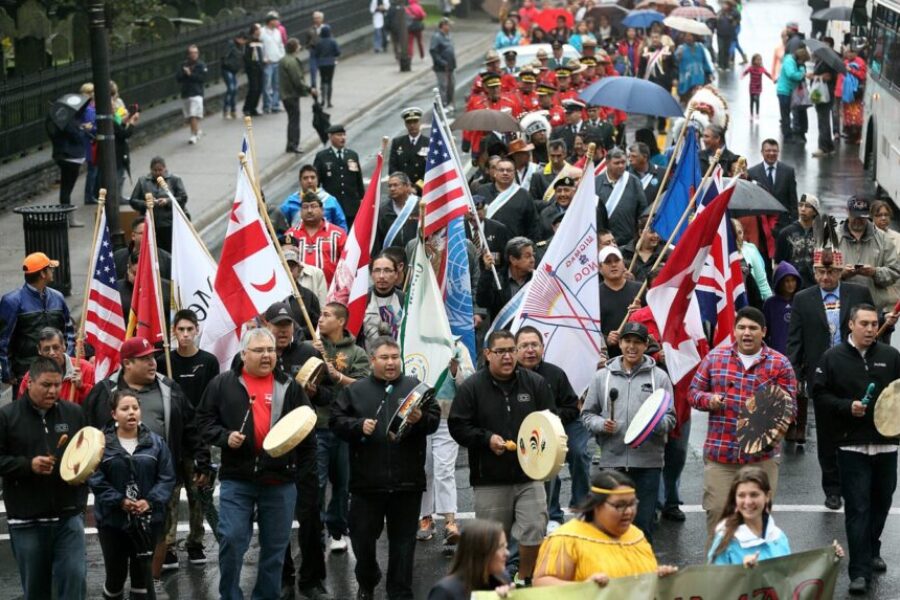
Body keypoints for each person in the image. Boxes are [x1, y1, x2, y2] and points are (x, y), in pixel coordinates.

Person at [197, 328, 315, 600]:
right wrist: (225, 437)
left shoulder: (289, 386)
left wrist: (302, 475)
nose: (266, 356)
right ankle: (230, 595)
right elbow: (203, 421)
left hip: (280, 481)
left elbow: (307, 433)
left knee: (275, 549)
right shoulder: (222, 384)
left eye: (270, 350)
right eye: (259, 350)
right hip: (238, 479)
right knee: (231, 539)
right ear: (243, 354)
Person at [331, 336, 441, 600]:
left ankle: (400, 592)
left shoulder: (415, 388)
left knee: (403, 544)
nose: (391, 363)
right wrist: (357, 426)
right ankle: (367, 579)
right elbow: (336, 421)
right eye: (384, 358)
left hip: (407, 482)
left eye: (395, 357)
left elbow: (434, 419)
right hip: (367, 483)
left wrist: (420, 419)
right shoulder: (356, 391)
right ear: (372, 360)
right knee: (362, 540)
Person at [449, 330, 555, 585]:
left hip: (530, 474)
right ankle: (494, 584)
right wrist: (486, 439)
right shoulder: (472, 387)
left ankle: (524, 579)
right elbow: (458, 426)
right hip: (490, 478)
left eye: (511, 350)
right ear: (488, 354)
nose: (508, 356)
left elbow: (551, 421)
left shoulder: (535, 383)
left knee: (534, 530)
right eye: (501, 351)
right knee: (491, 541)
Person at [688, 306, 798, 547]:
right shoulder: (715, 358)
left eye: (753, 328)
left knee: (757, 523)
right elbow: (693, 393)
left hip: (761, 460)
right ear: (734, 331)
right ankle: (719, 569)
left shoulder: (779, 363)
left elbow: (791, 408)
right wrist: (709, 400)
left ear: (764, 332)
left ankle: (753, 570)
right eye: (742, 327)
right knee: (718, 518)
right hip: (721, 457)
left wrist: (768, 417)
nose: (747, 333)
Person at [813, 303, 900, 595]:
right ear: (850, 325)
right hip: (851, 445)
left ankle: (872, 548)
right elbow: (819, 394)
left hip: (886, 445)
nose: (870, 329)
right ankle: (859, 571)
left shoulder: (890, 356)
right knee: (858, 508)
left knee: (881, 504)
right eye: (864, 323)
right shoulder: (832, 357)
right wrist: (846, 407)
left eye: (874, 324)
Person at [787, 243, 873, 503]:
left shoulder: (858, 293)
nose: (826, 277)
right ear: (814, 272)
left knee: (855, 432)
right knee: (827, 436)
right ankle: (832, 490)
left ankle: (854, 484)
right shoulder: (803, 299)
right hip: (821, 375)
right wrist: (793, 374)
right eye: (821, 272)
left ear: (840, 271)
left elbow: (872, 329)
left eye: (832, 272)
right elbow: (795, 341)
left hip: (854, 372)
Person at [0, 357, 87, 599]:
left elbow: (87, 452)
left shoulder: (74, 413)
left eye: (57, 385)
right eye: (46, 385)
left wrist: (83, 474)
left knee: (74, 579)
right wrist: (28, 465)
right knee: (37, 591)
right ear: (29, 382)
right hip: (26, 519)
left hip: (68, 516)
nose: (53, 391)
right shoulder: (7, 416)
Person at [582, 322, 675, 542]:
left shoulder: (660, 378)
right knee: (610, 527)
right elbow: (587, 415)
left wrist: (653, 424)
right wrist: (601, 424)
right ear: (620, 343)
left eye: (637, 342)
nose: (632, 347)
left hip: (648, 465)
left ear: (646, 345)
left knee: (642, 528)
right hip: (612, 464)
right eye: (627, 341)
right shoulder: (601, 377)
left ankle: (641, 564)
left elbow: (671, 419)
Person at [90, 390, 176, 600]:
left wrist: (150, 501)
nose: (131, 413)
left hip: (148, 521)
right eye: (125, 409)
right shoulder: (100, 445)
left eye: (135, 408)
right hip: (112, 523)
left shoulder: (156, 443)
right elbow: (95, 479)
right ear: (113, 414)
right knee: (115, 577)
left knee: (142, 578)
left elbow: (167, 478)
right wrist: (119, 501)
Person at [532, 470, 678, 586]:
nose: (628, 511)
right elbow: (541, 583)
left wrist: (657, 577)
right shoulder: (566, 538)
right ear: (596, 505)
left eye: (632, 504)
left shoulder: (636, 535)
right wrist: (584, 588)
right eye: (619, 505)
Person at [157, 310, 219, 567]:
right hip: (171, 438)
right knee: (170, 494)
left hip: (199, 437)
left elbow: (213, 399)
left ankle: (195, 542)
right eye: (180, 330)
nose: (185, 334)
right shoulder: (163, 361)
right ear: (174, 331)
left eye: (189, 329)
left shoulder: (208, 361)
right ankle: (168, 545)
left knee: (198, 492)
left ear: (196, 330)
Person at [313, 302, 371, 553]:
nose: (320, 319)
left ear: (341, 321)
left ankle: (337, 529)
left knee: (342, 484)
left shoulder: (357, 353)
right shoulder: (312, 347)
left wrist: (338, 376)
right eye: (320, 315)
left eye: (326, 315)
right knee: (316, 482)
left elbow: (363, 385)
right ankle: (315, 530)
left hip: (345, 428)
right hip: (317, 425)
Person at [515, 327, 585, 528]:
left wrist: (549, 419)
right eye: (524, 346)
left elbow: (572, 407)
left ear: (542, 347)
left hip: (560, 426)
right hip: (526, 431)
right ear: (516, 350)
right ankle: (547, 512)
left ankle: (578, 506)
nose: (530, 350)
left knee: (578, 453)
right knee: (541, 459)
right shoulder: (510, 375)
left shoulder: (555, 373)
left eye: (534, 345)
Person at [1, 252, 74, 398]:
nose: (53, 270)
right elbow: (4, 341)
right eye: (50, 268)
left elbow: (69, 332)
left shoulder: (58, 297)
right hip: (26, 373)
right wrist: (7, 373)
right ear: (42, 274)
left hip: (56, 371)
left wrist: (68, 362)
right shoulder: (12, 301)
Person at [707, 466, 791, 566]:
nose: (748, 502)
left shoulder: (779, 537)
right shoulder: (724, 539)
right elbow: (714, 575)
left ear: (767, 496)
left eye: (754, 495)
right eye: (741, 495)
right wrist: (743, 570)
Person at [837, 196, 900, 314]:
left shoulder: (883, 239)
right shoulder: (832, 238)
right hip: (840, 307)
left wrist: (874, 272)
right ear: (847, 212)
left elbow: (895, 272)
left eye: (862, 217)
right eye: (855, 216)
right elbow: (819, 272)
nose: (859, 220)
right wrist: (842, 274)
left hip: (873, 309)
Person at [427, 520, 512, 600]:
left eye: (505, 547)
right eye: (501, 547)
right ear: (481, 552)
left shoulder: (503, 580)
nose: (507, 553)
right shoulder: (445, 592)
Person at [284, 191, 347, 286]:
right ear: (300, 211)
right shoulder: (290, 235)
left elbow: (347, 264)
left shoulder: (338, 234)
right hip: (299, 291)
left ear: (322, 210)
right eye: (305, 207)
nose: (309, 211)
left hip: (331, 290)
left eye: (313, 206)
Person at [17, 327, 93, 405]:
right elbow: (22, 408)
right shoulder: (31, 377)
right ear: (39, 350)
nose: (52, 353)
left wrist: (82, 388)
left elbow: (95, 404)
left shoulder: (86, 369)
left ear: (64, 346)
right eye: (46, 349)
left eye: (56, 348)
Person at [128, 156, 189, 253]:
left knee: (169, 250)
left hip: (169, 224)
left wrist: (167, 201)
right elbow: (133, 201)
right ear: (151, 170)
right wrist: (146, 204)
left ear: (165, 168)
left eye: (160, 170)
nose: (157, 173)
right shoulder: (143, 181)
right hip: (150, 223)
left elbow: (183, 198)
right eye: (154, 170)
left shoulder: (174, 180)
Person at [47, 89, 90, 227]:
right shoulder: (67, 121)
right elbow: (75, 136)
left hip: (61, 155)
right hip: (71, 157)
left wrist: (80, 127)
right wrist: (83, 130)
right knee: (67, 188)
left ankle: (67, 218)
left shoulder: (56, 120)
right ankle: (68, 219)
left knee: (66, 188)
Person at [476, 158, 541, 242]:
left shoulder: (524, 195)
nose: (505, 173)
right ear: (495, 173)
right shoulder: (482, 191)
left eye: (509, 170)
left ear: (514, 173)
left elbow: (533, 226)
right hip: (487, 244)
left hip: (514, 245)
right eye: (501, 170)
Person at [747, 139, 799, 239]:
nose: (771, 153)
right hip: (761, 225)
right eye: (768, 150)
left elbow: (793, 201)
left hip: (783, 225)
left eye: (774, 151)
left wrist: (794, 225)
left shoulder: (788, 171)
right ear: (762, 152)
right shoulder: (752, 172)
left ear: (778, 152)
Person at [476, 237, 534, 324]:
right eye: (527, 256)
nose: (532, 260)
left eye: (533, 255)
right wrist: (487, 271)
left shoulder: (537, 280)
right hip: (503, 330)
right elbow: (483, 302)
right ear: (513, 259)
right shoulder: (497, 280)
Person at [314, 124, 365, 225]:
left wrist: (362, 198)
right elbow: (317, 182)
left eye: (343, 135)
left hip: (352, 205)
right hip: (332, 206)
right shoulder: (322, 157)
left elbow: (358, 179)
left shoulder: (352, 155)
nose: (342, 138)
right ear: (330, 137)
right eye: (339, 135)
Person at [598, 246, 643, 359]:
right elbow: (588, 329)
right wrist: (606, 339)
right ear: (600, 268)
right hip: (609, 359)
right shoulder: (593, 295)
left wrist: (641, 313)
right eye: (608, 262)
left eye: (617, 260)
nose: (613, 265)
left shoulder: (640, 289)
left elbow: (653, 321)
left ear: (623, 264)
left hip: (638, 356)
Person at [595, 148, 645, 247]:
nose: (621, 166)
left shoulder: (634, 182)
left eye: (623, 162)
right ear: (607, 163)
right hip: (602, 242)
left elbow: (642, 210)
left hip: (628, 242)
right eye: (617, 163)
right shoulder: (596, 182)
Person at [280, 164, 348, 233]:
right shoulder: (290, 203)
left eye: (312, 177)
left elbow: (342, 226)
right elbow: (280, 227)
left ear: (317, 180)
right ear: (300, 181)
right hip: (298, 239)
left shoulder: (330, 201)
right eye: (305, 178)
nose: (309, 181)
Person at [279, 38, 316, 154]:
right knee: (294, 120)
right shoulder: (292, 62)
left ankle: (291, 144)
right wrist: (309, 89)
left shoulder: (283, 60)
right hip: (291, 94)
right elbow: (297, 80)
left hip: (286, 94)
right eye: (298, 45)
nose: (300, 47)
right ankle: (293, 144)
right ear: (295, 48)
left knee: (292, 119)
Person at [774, 194, 819, 289]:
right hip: (792, 285)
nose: (803, 209)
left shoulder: (821, 234)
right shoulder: (786, 233)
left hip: (814, 285)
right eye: (800, 205)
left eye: (807, 206)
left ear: (815, 211)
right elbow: (778, 263)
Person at [113, 216, 172, 281]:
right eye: (143, 233)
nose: (148, 236)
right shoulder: (117, 257)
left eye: (151, 233)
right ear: (133, 236)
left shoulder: (167, 259)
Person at [762, 262, 801, 356]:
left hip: (797, 352)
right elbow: (764, 330)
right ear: (780, 282)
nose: (790, 284)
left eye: (793, 280)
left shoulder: (801, 300)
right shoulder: (770, 303)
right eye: (787, 281)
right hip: (776, 352)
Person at [810, 37, 838, 157]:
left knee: (823, 121)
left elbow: (828, 77)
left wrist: (814, 77)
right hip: (822, 92)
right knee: (823, 119)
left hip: (824, 93)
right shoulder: (822, 58)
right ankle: (829, 146)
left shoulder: (829, 60)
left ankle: (823, 147)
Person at [775, 46, 809, 142]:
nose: (803, 63)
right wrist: (802, 72)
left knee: (787, 113)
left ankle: (788, 134)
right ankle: (787, 136)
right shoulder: (789, 62)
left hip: (788, 91)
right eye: (803, 61)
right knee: (785, 114)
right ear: (800, 58)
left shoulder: (792, 61)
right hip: (784, 91)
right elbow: (792, 75)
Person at [175, 44, 207, 145]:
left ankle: (193, 135)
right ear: (188, 54)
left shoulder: (201, 65)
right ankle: (197, 131)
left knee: (193, 114)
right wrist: (185, 74)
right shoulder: (183, 65)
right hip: (186, 93)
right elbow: (178, 78)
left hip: (196, 93)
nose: (194, 55)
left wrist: (190, 74)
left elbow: (202, 78)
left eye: (196, 53)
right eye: (192, 53)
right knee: (190, 116)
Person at [388, 107, 429, 186]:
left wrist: (417, 187)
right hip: (403, 188)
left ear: (420, 122)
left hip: (422, 188)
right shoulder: (397, 143)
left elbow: (431, 171)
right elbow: (392, 168)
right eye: (409, 122)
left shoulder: (428, 143)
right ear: (405, 124)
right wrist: (404, 186)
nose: (412, 125)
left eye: (415, 121)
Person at [836, 44, 866, 145]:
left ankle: (857, 135)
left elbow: (862, 76)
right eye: (847, 52)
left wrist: (851, 70)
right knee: (848, 114)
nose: (848, 54)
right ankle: (850, 134)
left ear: (855, 53)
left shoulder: (860, 62)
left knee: (856, 115)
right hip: (846, 93)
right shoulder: (845, 62)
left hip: (855, 93)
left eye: (850, 52)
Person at [674, 33, 713, 101]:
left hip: (699, 79)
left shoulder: (700, 47)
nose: (688, 37)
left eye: (690, 35)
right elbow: (675, 63)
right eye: (686, 35)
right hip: (686, 80)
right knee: (686, 101)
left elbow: (705, 62)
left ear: (694, 37)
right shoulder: (680, 48)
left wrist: (709, 73)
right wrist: (678, 57)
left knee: (698, 101)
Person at [260, 13, 285, 114]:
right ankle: (267, 105)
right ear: (270, 22)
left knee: (277, 85)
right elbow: (260, 47)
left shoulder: (277, 32)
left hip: (277, 60)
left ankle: (275, 105)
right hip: (268, 62)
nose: (278, 22)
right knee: (267, 85)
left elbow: (280, 45)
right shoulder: (262, 32)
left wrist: (282, 55)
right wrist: (263, 58)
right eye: (276, 20)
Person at [430, 18, 457, 109]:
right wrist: (441, 62)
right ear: (443, 25)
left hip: (450, 66)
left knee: (451, 85)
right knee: (443, 86)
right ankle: (443, 105)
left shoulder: (448, 35)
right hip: (442, 68)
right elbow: (433, 51)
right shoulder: (437, 37)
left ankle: (450, 103)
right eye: (448, 25)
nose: (450, 27)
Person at [313, 25, 340, 108]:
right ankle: (329, 101)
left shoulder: (319, 42)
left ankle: (323, 99)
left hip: (321, 63)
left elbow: (316, 53)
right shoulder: (333, 41)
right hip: (331, 63)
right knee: (329, 81)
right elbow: (338, 52)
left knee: (323, 80)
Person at [221, 31, 246, 120]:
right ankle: (226, 110)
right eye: (243, 40)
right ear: (239, 39)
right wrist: (228, 64)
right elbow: (224, 56)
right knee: (231, 88)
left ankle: (233, 110)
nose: (244, 43)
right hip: (228, 69)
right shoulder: (231, 44)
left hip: (234, 70)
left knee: (234, 90)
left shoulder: (240, 47)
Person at [742, 54, 773, 120]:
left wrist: (772, 78)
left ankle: (757, 113)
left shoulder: (761, 68)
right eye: (757, 60)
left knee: (757, 99)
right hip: (751, 87)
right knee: (751, 100)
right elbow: (746, 72)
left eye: (760, 60)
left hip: (758, 87)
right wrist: (742, 76)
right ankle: (751, 114)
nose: (759, 61)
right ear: (753, 61)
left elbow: (767, 74)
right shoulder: (751, 68)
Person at [243, 23, 265, 116]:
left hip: (259, 67)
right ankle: (247, 108)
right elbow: (247, 56)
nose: (260, 31)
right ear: (254, 31)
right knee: (253, 88)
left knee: (259, 88)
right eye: (258, 29)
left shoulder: (259, 41)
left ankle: (253, 108)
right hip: (252, 68)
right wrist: (252, 65)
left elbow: (260, 54)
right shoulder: (249, 42)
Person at [302, 11, 326, 90]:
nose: (316, 20)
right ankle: (313, 86)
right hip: (314, 52)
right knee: (313, 70)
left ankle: (323, 85)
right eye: (315, 18)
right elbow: (306, 42)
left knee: (323, 70)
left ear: (322, 19)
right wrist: (309, 47)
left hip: (323, 53)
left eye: (318, 18)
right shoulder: (310, 30)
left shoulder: (326, 28)